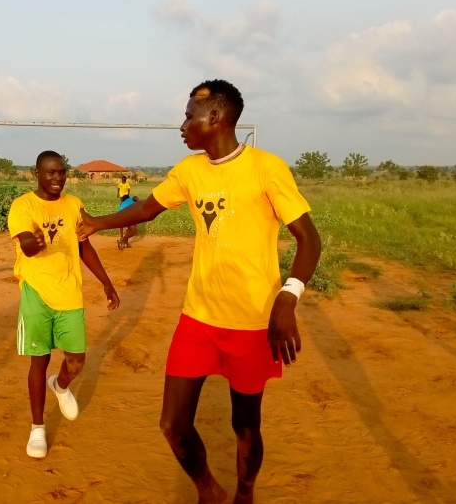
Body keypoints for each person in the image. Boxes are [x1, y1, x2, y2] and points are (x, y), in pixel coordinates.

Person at [78, 80, 321, 503]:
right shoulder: (189, 171)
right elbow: (147, 209)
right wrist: (98, 222)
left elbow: (309, 238)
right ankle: (208, 490)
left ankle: (245, 492)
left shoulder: (267, 168)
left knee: (245, 424)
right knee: (172, 424)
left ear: (216, 118)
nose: (183, 124)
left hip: (251, 321)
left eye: (189, 115)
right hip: (198, 319)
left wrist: (288, 297)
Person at [7, 150, 120, 459]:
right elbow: (26, 244)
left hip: (70, 292)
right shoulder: (23, 205)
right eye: (50, 173)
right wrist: (35, 243)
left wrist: (107, 283)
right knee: (38, 361)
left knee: (77, 360)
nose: (57, 178)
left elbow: (85, 246)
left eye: (61, 172)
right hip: (36, 293)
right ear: (37, 174)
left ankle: (60, 385)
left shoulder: (74, 206)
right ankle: (38, 428)